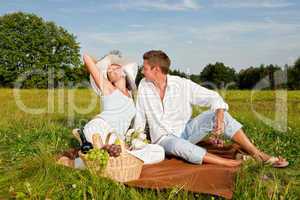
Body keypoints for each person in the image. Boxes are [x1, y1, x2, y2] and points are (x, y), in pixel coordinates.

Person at [134, 50, 289, 168]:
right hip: (164, 139)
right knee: (176, 145)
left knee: (218, 115)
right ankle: (230, 163)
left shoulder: (181, 84)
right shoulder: (143, 85)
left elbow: (213, 97)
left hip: (185, 132)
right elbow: (140, 115)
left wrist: (219, 121)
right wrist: (136, 140)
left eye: (145, 68)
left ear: (156, 70)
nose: (142, 71)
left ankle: (258, 154)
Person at [57, 51, 165, 168]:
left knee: (159, 151)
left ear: (124, 72)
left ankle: (91, 160)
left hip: (117, 139)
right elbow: (86, 57)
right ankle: (111, 156)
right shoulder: (108, 88)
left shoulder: (130, 95)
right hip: (99, 129)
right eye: (108, 70)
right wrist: (102, 64)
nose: (110, 70)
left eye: (115, 67)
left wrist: (135, 138)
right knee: (117, 151)